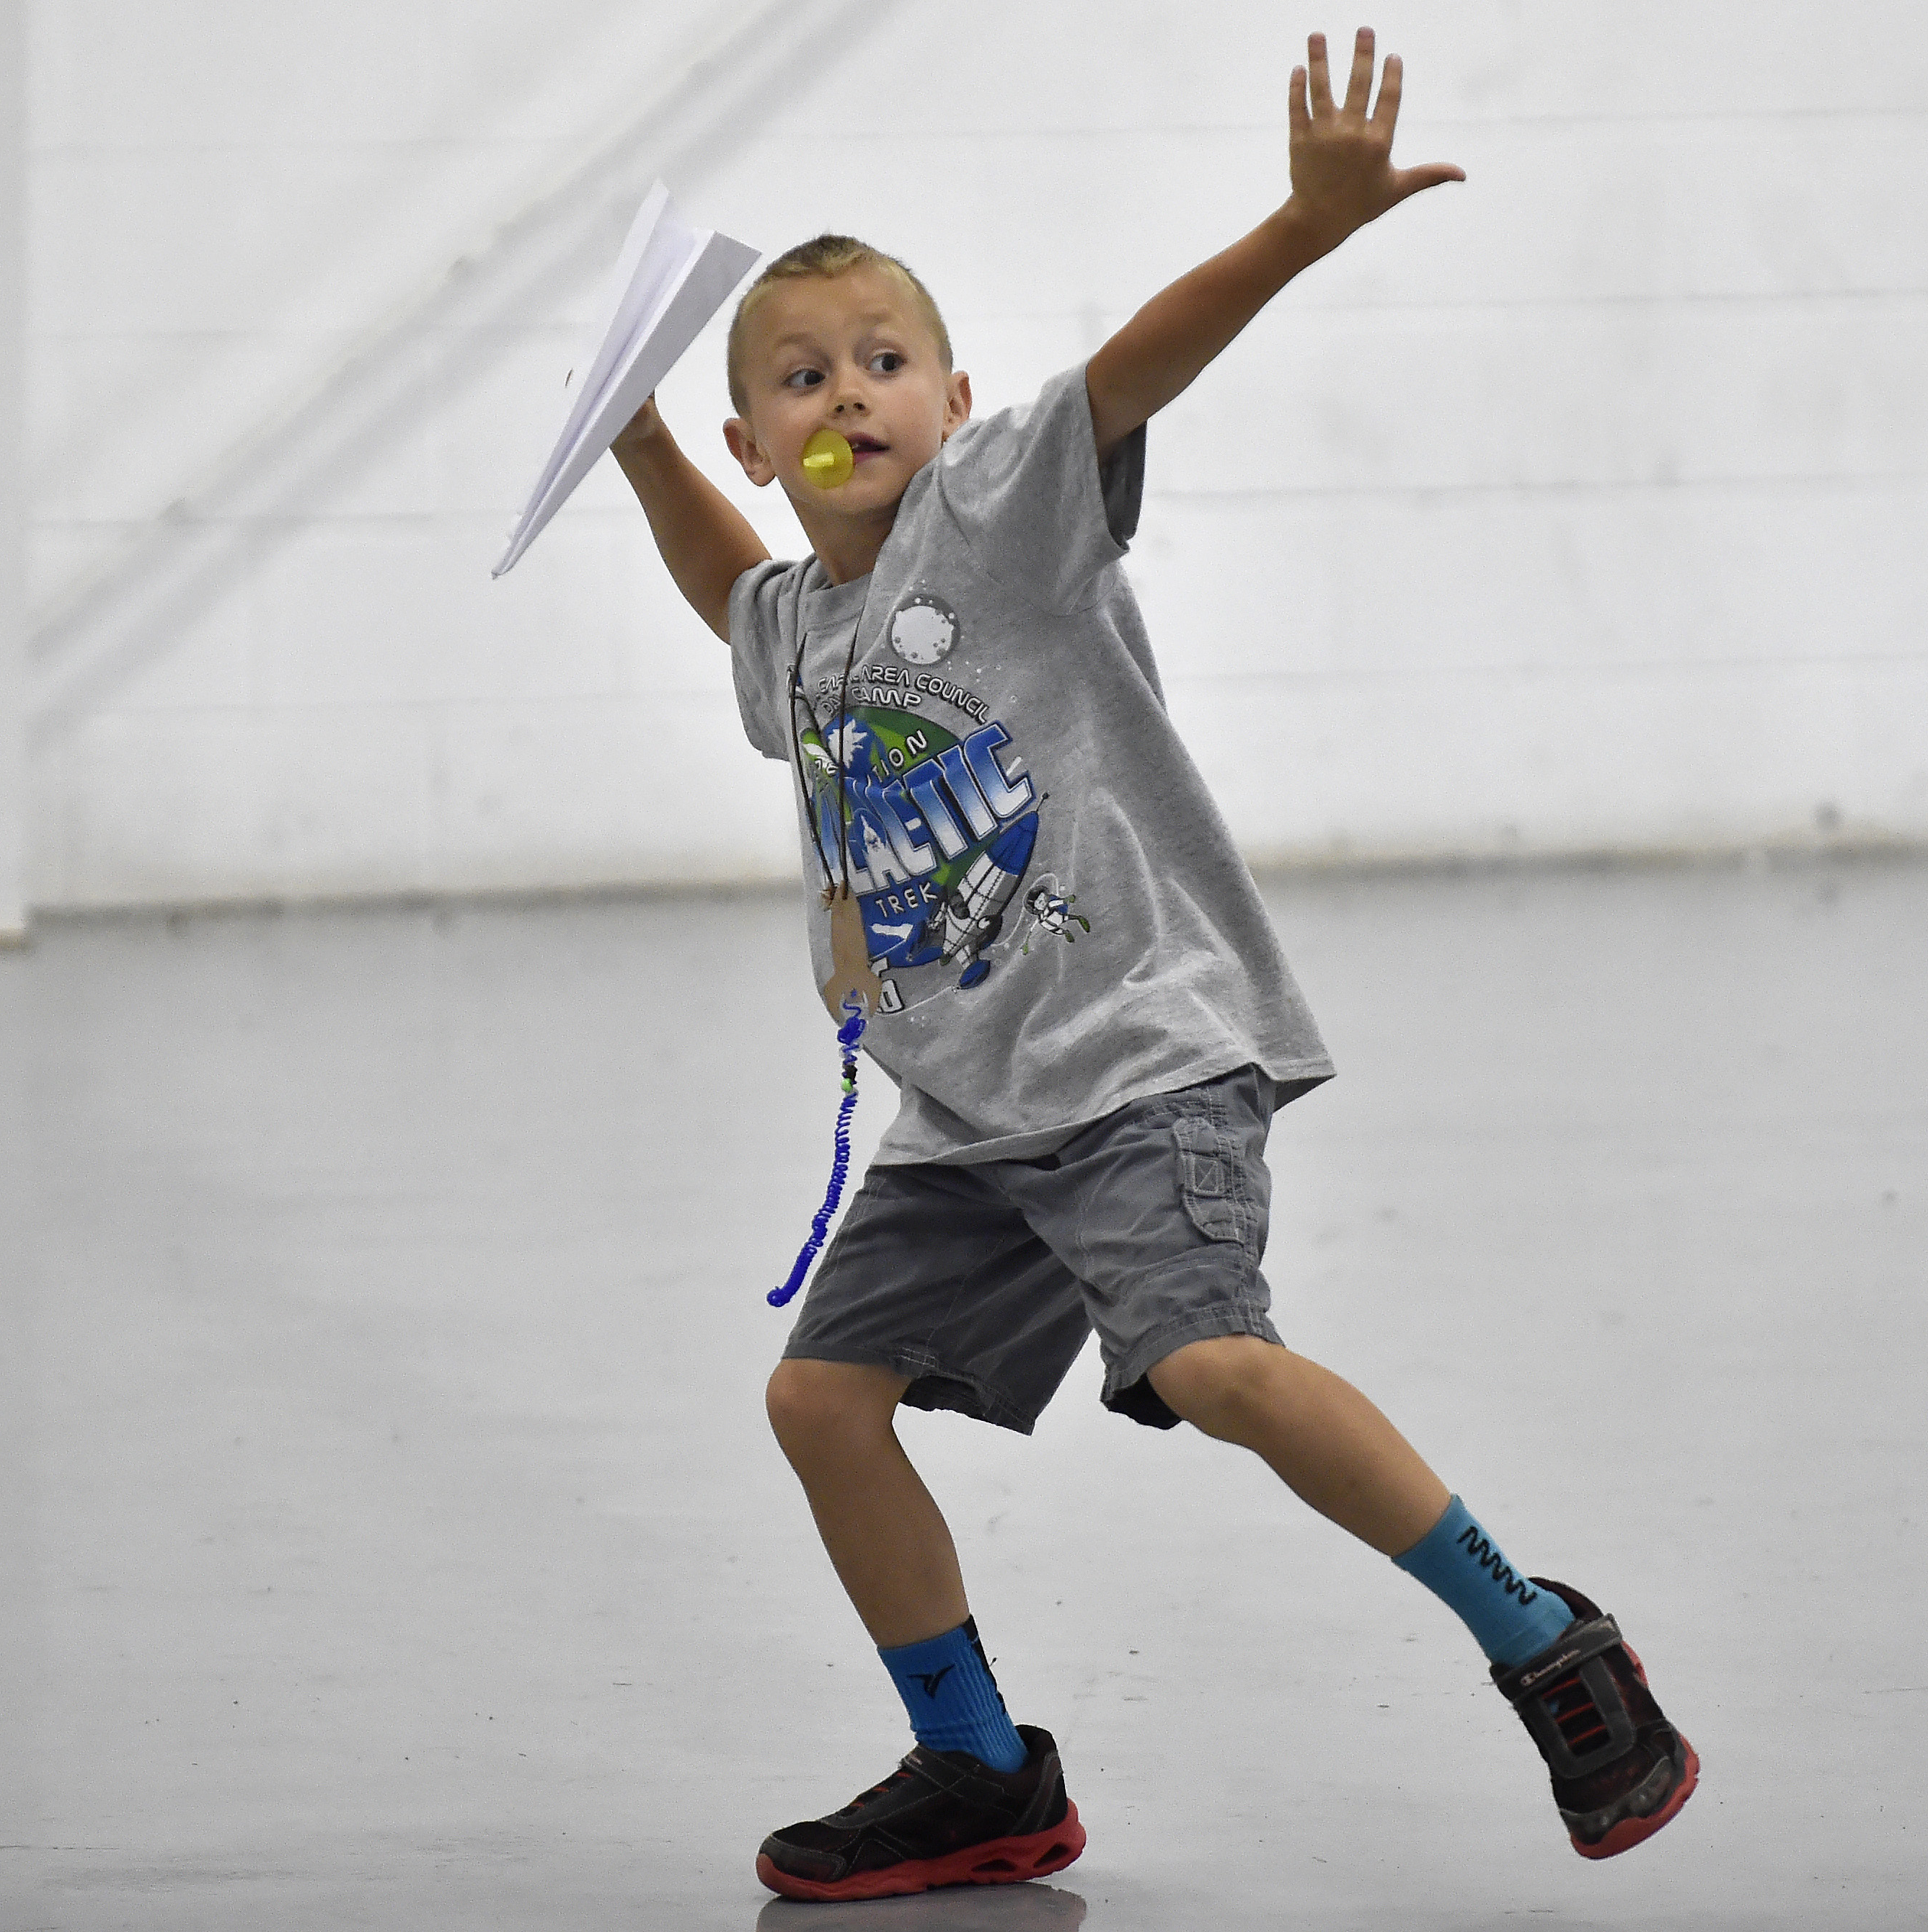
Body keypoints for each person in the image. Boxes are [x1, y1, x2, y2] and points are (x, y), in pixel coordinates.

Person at [608, 27, 1697, 1904]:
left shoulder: (998, 512)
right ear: (750, 436)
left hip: (1137, 1067)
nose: (843, 395)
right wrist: (623, 436)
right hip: (968, 1122)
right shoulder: (793, 624)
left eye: (881, 363)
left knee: (1207, 1362)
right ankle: (976, 1776)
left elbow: (1133, 365)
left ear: (951, 396)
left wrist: (1303, 227)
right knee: (815, 1401)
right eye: (797, 379)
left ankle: (1541, 1640)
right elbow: (724, 587)